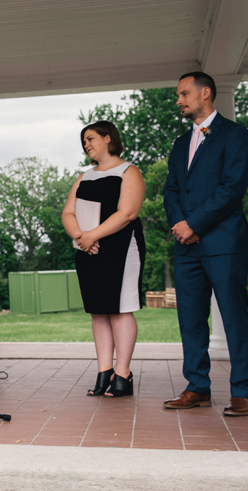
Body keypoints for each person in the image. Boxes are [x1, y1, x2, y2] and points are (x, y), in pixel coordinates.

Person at [162, 71, 248, 416]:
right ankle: (197, 387)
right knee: (190, 319)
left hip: (224, 242)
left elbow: (233, 188)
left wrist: (195, 223)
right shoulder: (179, 143)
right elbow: (171, 189)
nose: (179, 100)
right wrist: (179, 224)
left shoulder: (235, 135)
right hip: (186, 246)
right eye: (178, 95)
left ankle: (244, 391)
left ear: (205, 93)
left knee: (234, 316)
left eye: (184, 94)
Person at [62, 121, 145, 397]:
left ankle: (123, 373)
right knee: (98, 311)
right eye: (83, 141)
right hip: (88, 250)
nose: (86, 144)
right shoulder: (84, 176)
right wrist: (81, 237)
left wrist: (91, 235)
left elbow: (127, 213)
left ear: (108, 138)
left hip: (121, 247)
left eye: (91, 138)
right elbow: (68, 213)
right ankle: (104, 371)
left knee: (120, 308)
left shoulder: (129, 171)